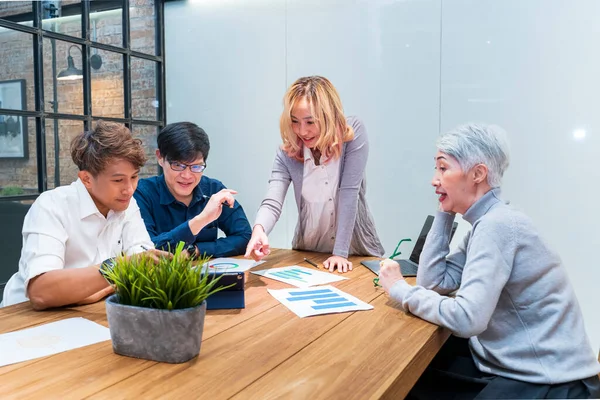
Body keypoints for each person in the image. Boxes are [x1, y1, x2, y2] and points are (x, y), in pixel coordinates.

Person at [379, 123, 600, 398]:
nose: (434, 179)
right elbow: (434, 282)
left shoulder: (498, 225)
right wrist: (445, 213)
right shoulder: (486, 223)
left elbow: (467, 318)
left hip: (552, 382)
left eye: (443, 168)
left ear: (478, 174)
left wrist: (400, 289)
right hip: (512, 364)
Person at [1, 121, 163, 310]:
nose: (129, 189)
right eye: (118, 180)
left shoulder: (127, 204)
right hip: (23, 319)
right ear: (86, 179)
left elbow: (143, 261)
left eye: (134, 177)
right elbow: (41, 291)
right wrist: (116, 269)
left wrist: (91, 291)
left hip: (88, 312)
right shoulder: (52, 205)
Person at [245, 76, 384, 273]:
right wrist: (259, 230)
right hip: (309, 252)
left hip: (354, 250)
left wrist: (340, 253)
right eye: (295, 121)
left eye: (310, 122)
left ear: (329, 116)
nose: (302, 131)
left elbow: (349, 193)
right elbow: (272, 202)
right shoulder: (288, 152)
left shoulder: (352, 134)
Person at [134, 122, 252, 258]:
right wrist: (201, 220)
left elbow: (245, 237)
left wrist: (196, 250)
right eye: (177, 165)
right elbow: (147, 250)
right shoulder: (143, 193)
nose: (187, 176)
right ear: (160, 158)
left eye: (196, 167)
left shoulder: (213, 189)